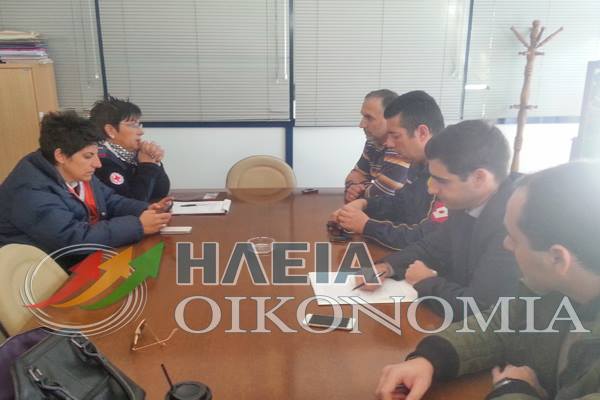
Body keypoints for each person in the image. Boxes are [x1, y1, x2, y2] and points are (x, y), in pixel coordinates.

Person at [375, 161, 600, 400]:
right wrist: (430, 358)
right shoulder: (555, 289)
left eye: (514, 238)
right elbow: (498, 325)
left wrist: (514, 389)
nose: (506, 245)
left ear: (557, 258)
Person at [358, 120, 520, 321]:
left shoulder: (514, 225)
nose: (431, 189)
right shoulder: (466, 203)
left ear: (479, 178)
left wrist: (426, 282)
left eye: (441, 180)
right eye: (431, 177)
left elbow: (479, 308)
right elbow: (431, 247)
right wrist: (387, 267)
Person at [0, 111, 172, 264]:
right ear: (60, 155)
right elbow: (72, 238)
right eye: (88, 156)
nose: (97, 164)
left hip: (80, 258)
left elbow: (111, 200)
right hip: (44, 270)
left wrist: (145, 209)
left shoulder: (75, 172)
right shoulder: (30, 190)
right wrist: (137, 225)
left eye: (96, 154)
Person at [333, 90, 447, 250]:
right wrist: (364, 203)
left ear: (422, 133)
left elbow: (424, 237)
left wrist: (366, 225)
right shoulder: (420, 162)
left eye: (395, 136)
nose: (389, 144)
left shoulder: (450, 174)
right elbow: (400, 203)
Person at [90, 96, 170, 202]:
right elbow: (132, 203)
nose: (141, 132)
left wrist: (155, 162)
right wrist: (147, 165)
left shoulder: (135, 154)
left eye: (139, 124)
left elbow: (161, 192)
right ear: (110, 130)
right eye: (133, 125)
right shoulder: (101, 161)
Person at [344, 89, 410, 203]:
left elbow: (384, 193)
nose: (361, 124)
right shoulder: (373, 142)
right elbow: (355, 175)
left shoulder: (399, 147)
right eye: (363, 117)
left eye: (369, 118)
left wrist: (359, 191)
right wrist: (354, 188)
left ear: (390, 119)